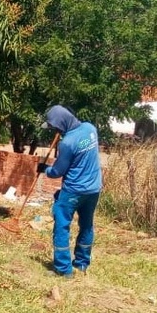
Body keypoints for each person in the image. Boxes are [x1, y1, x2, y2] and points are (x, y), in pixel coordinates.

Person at [38, 105, 103, 278]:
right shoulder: (91, 129)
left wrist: (45, 169)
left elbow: (57, 171)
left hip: (73, 191)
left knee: (61, 225)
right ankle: (81, 264)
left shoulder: (67, 143)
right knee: (87, 225)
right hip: (93, 189)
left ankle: (63, 269)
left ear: (62, 123)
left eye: (55, 127)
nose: (56, 130)